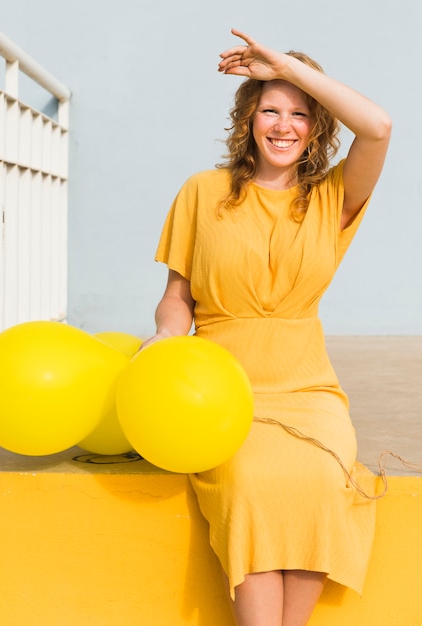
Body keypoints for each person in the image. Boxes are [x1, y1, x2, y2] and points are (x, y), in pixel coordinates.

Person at [142, 28, 391, 626]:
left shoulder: (333, 197)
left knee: (317, 481)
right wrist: (165, 341)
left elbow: (378, 126)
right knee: (252, 485)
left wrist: (285, 67)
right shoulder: (202, 192)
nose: (284, 126)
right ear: (248, 119)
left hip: (308, 389)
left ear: (317, 124)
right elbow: (177, 298)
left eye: (300, 114)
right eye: (270, 110)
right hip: (223, 390)